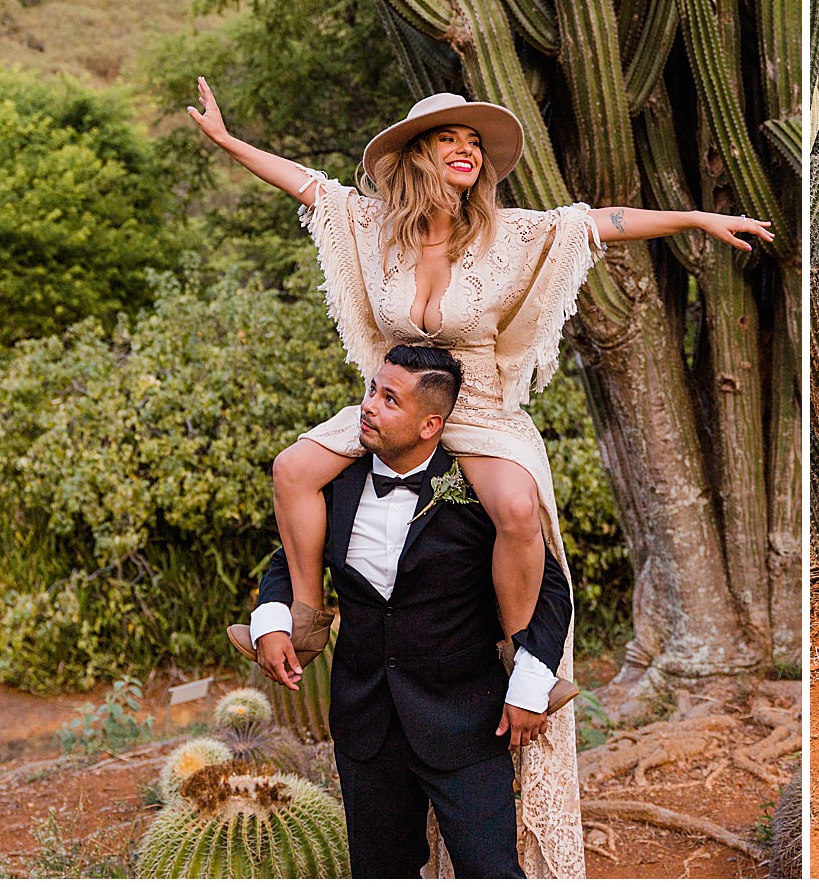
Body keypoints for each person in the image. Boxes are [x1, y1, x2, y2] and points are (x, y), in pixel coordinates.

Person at [190, 82, 772, 875]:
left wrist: (698, 220)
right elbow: (306, 185)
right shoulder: (378, 230)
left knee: (515, 504)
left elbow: (599, 222)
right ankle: (306, 609)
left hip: (481, 409)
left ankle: (518, 651)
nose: (465, 149)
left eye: (473, 141)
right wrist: (228, 142)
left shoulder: (506, 234)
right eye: (446, 139)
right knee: (291, 466)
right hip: (398, 406)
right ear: (417, 156)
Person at [249, 343, 571, 877]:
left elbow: (550, 590)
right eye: (372, 390)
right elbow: (293, 556)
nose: (369, 406)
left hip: (467, 722)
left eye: (390, 400)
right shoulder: (336, 482)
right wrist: (272, 620)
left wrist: (530, 685)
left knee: (491, 873)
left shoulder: (476, 491)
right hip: (365, 721)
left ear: (430, 425)